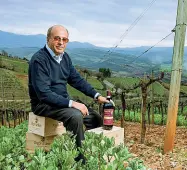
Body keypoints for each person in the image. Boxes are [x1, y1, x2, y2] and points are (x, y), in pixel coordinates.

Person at [28, 25, 109, 163]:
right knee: (75, 116)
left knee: (94, 118)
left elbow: (77, 80)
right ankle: (79, 161)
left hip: (61, 102)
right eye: (57, 39)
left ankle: (90, 151)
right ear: (48, 39)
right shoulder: (39, 60)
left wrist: (96, 96)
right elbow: (44, 94)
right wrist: (73, 104)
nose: (61, 42)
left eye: (64, 39)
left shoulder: (64, 58)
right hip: (43, 104)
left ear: (67, 41)